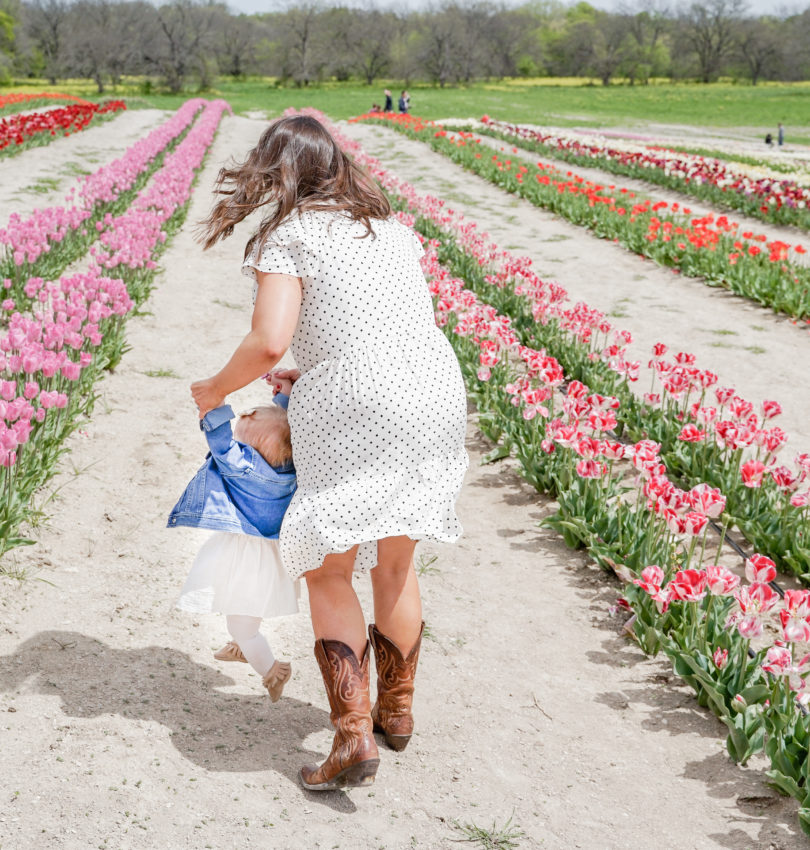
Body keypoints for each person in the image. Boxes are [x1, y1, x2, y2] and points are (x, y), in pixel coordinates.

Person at [192, 115, 468, 791]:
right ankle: (395, 716)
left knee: (328, 565)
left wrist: (212, 391)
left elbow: (266, 341)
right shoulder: (391, 230)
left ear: (274, 170)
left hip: (359, 404)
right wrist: (308, 373)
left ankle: (352, 739)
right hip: (434, 387)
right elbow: (381, 326)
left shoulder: (289, 236)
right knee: (396, 564)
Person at [168, 380, 298, 702]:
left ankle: (272, 669)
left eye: (242, 433)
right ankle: (242, 643)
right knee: (243, 606)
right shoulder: (289, 467)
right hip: (269, 557)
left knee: (242, 623)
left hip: (246, 557)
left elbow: (221, 442)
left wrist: (212, 407)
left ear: (251, 448)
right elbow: (282, 422)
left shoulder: (242, 466)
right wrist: (285, 395)